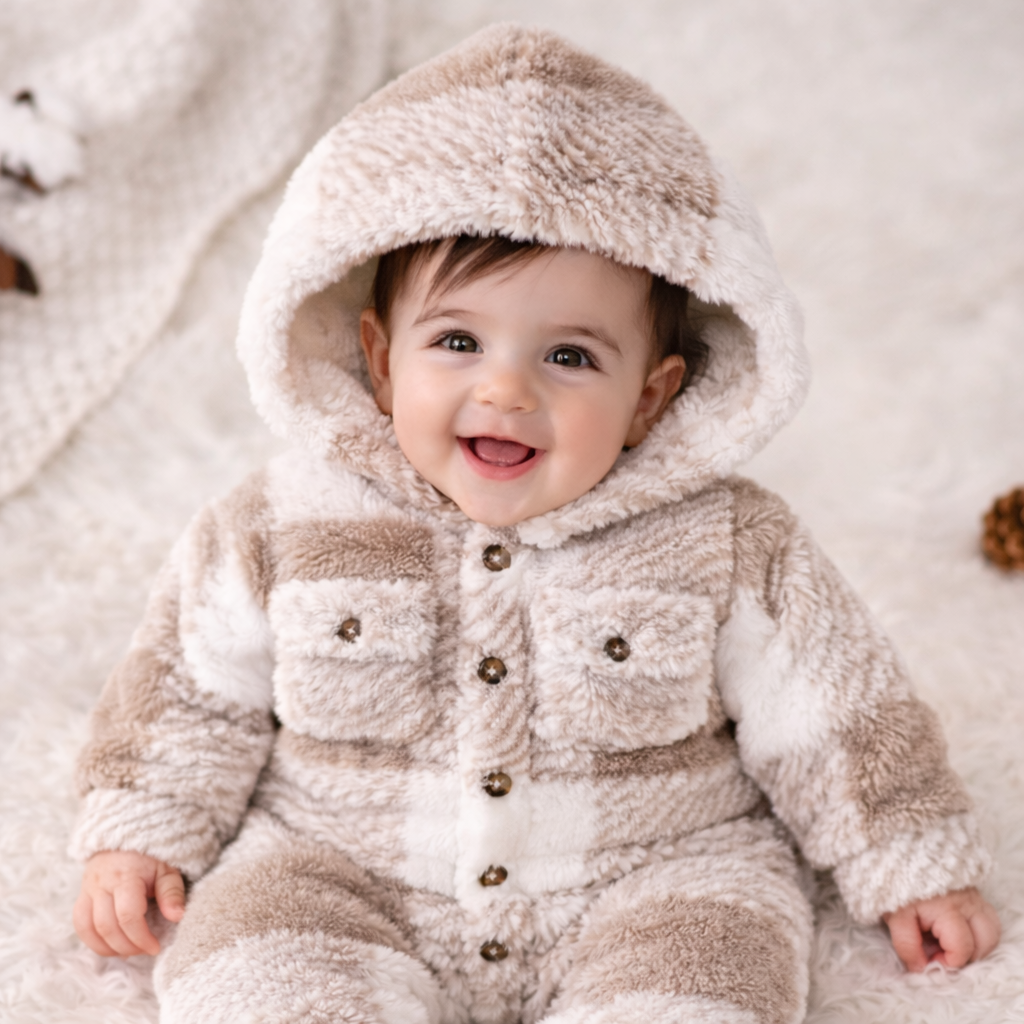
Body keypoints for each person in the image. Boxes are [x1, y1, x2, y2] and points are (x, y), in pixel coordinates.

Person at [70, 23, 1000, 1024]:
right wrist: (141, 828)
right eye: (457, 342)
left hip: (652, 876)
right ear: (380, 361)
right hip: (341, 868)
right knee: (254, 975)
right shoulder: (279, 525)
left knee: (709, 978)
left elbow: (837, 709)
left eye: (569, 357)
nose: (506, 390)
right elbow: (185, 691)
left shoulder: (725, 540)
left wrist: (907, 859)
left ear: (650, 397)